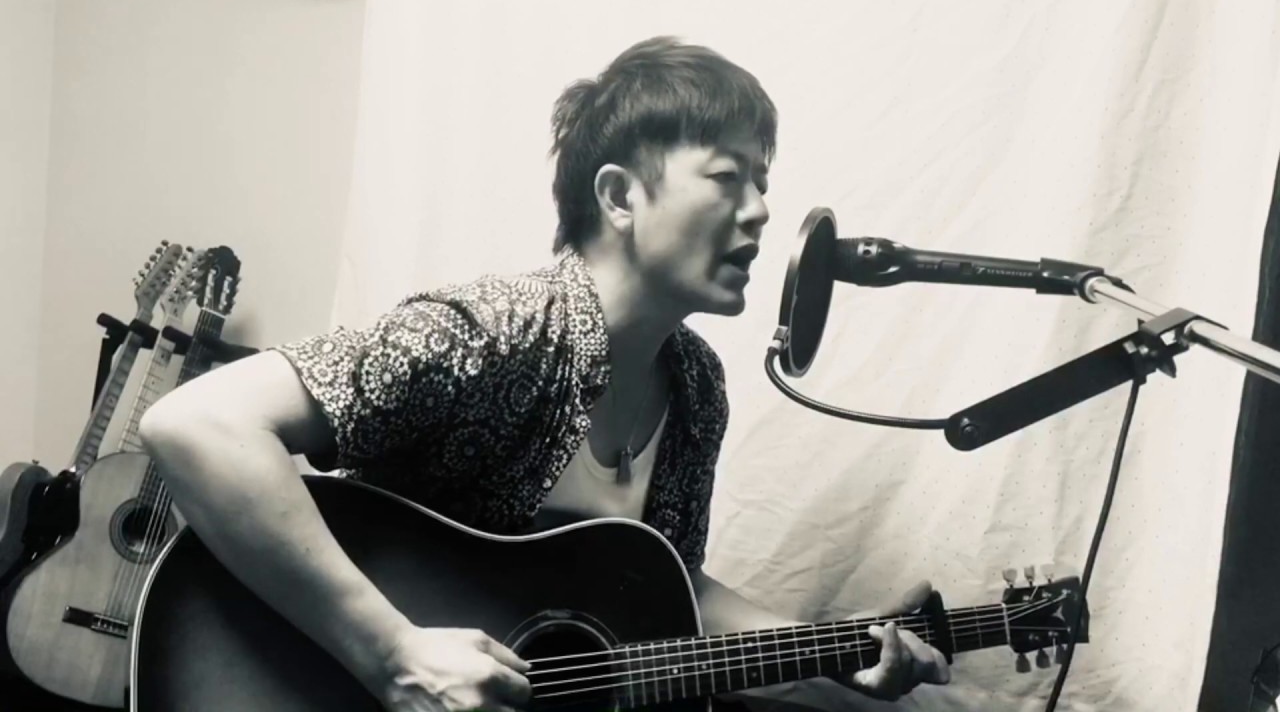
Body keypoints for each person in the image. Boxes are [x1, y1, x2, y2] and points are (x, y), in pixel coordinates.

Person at [139, 36, 950, 712]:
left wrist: (835, 651)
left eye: (762, 182)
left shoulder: (696, 386)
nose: (762, 210)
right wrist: (391, 654)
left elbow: (672, 591)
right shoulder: (498, 330)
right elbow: (193, 425)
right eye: (727, 176)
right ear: (620, 197)